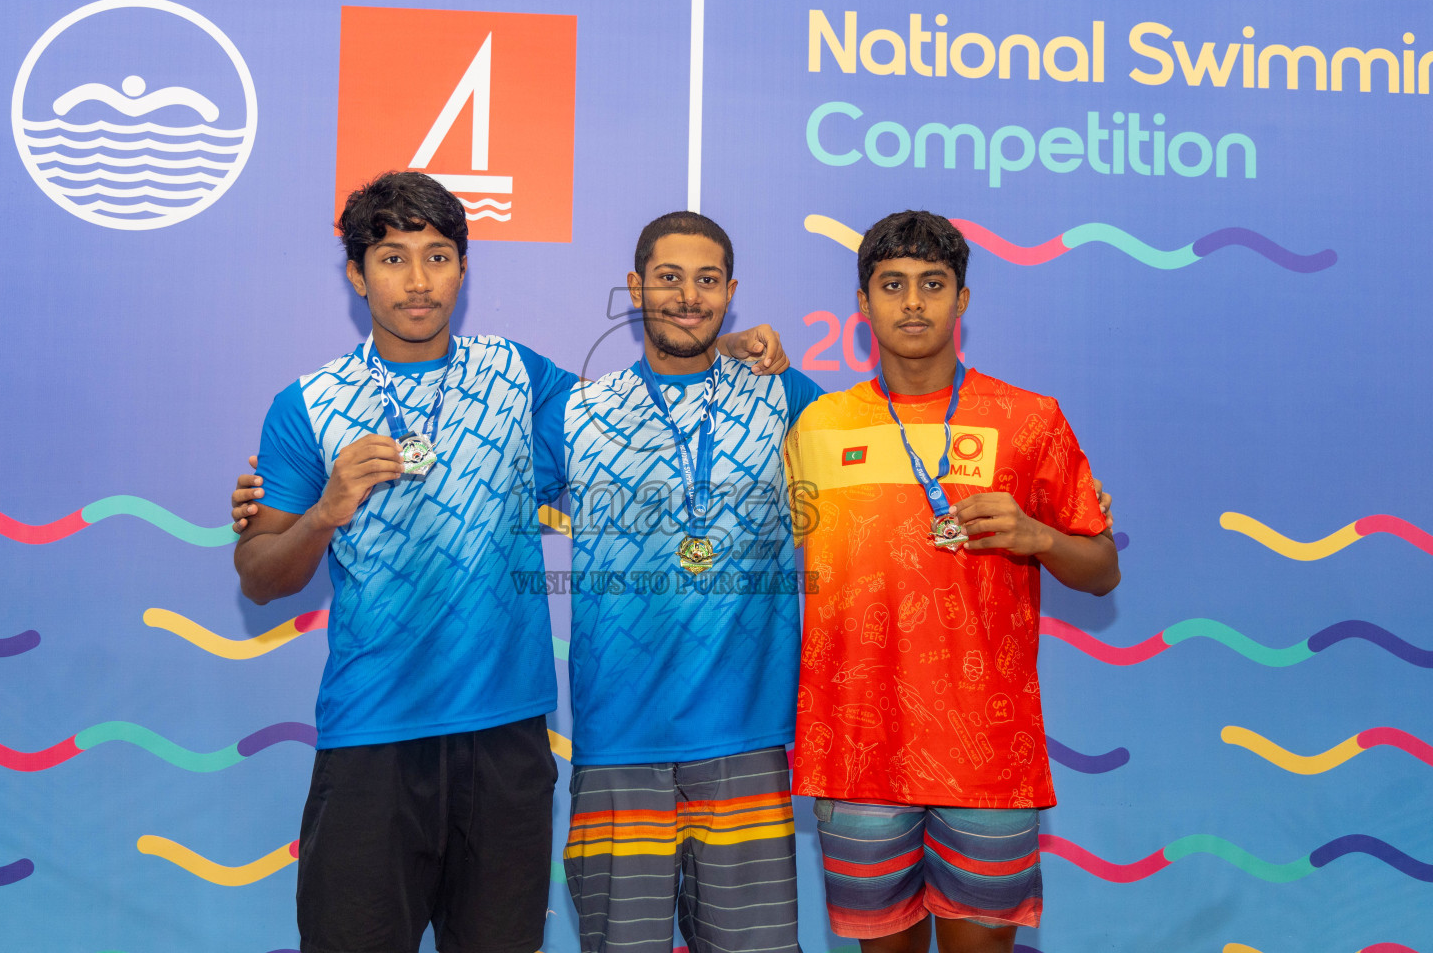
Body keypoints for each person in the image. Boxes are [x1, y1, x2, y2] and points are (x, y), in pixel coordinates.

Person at [230, 173, 785, 953]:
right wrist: (324, 511)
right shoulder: (309, 403)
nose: (419, 282)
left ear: (463, 266)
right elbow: (260, 574)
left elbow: (637, 404)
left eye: (437, 256)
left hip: (508, 744)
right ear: (356, 275)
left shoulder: (519, 376)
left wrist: (715, 345)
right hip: (371, 742)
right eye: (392, 259)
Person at [785, 210, 1120, 953]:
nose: (913, 303)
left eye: (933, 285)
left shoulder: (1031, 420)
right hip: (857, 752)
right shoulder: (815, 427)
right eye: (892, 284)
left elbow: (1102, 571)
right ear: (863, 303)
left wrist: (1039, 537)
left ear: (962, 301)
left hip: (987, 758)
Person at [531, 212, 822, 953]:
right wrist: (292, 504)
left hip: (745, 739)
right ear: (635, 288)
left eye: (706, 280)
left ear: (731, 293)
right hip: (618, 742)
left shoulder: (782, 397)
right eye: (668, 278)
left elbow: (884, 467)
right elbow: (476, 498)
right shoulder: (580, 411)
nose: (687, 297)